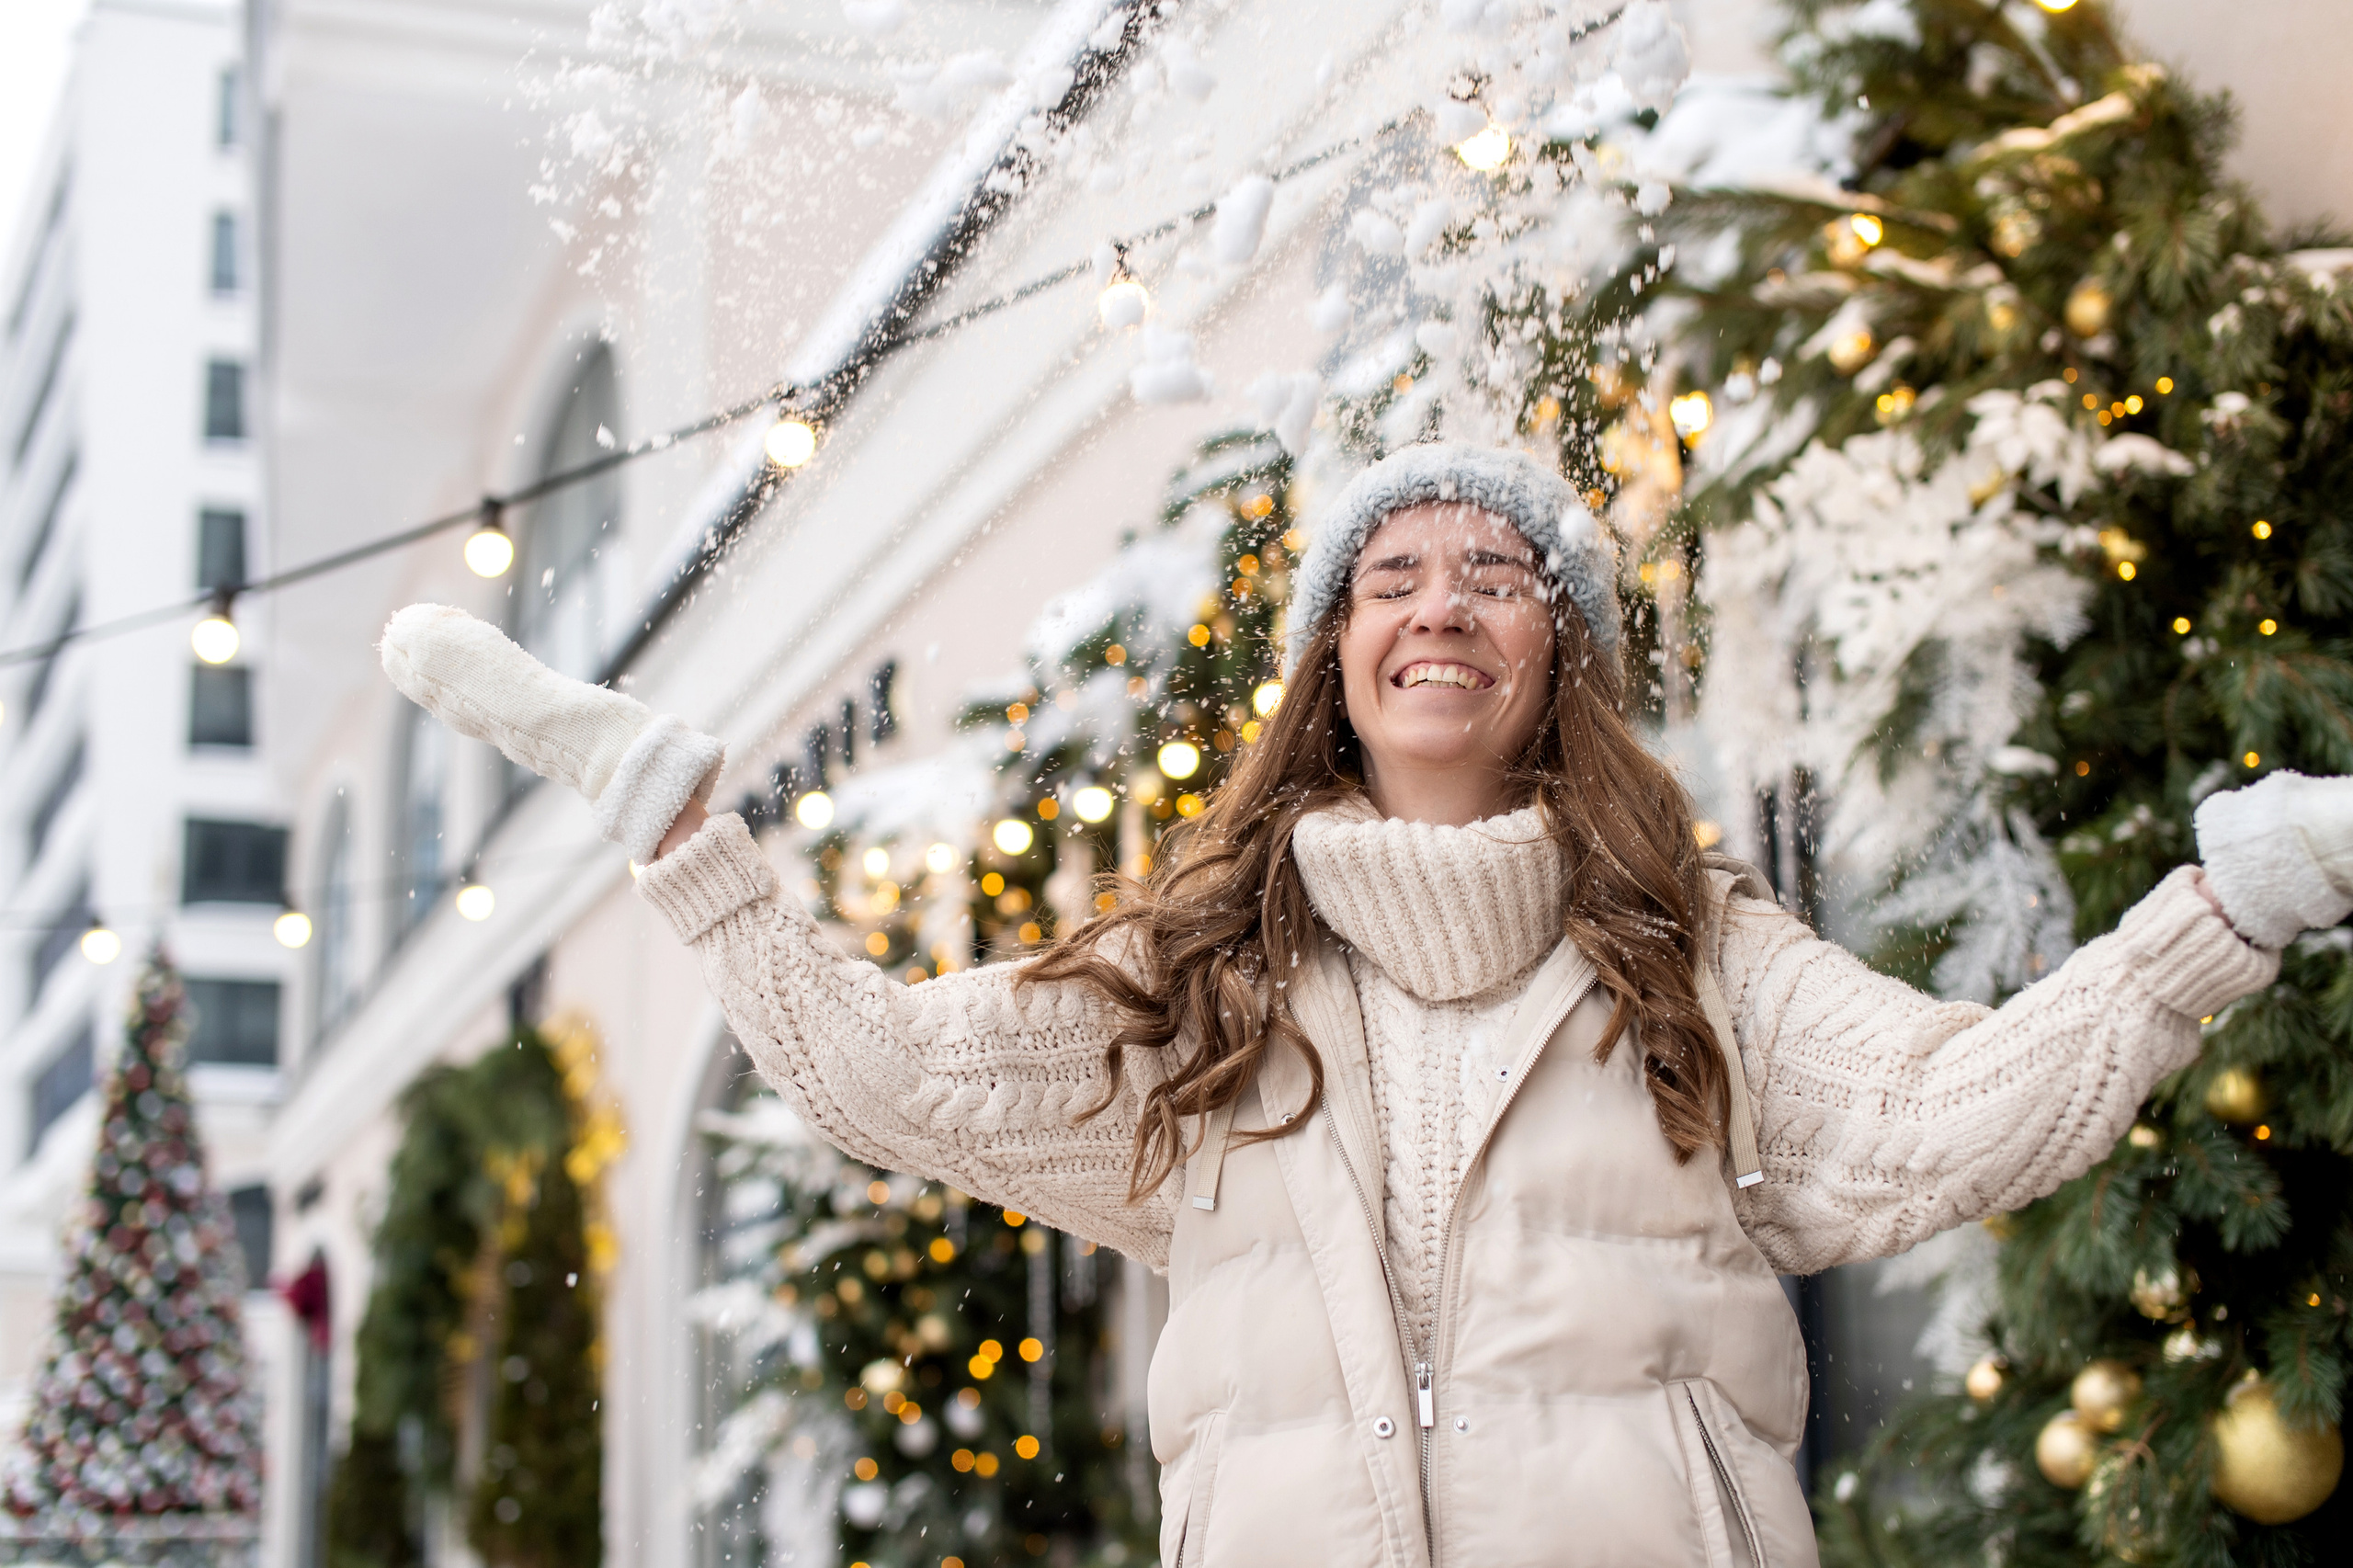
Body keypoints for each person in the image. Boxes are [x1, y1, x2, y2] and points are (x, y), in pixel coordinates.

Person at [381, 442, 2353, 1568]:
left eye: (1494, 576)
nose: (1438, 604)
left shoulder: (1695, 952)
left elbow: (1960, 1110)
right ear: (1331, 655)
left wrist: (2217, 911)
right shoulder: (1197, 979)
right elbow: (887, 1079)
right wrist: (696, 849)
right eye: (1389, 575)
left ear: (1550, 654)